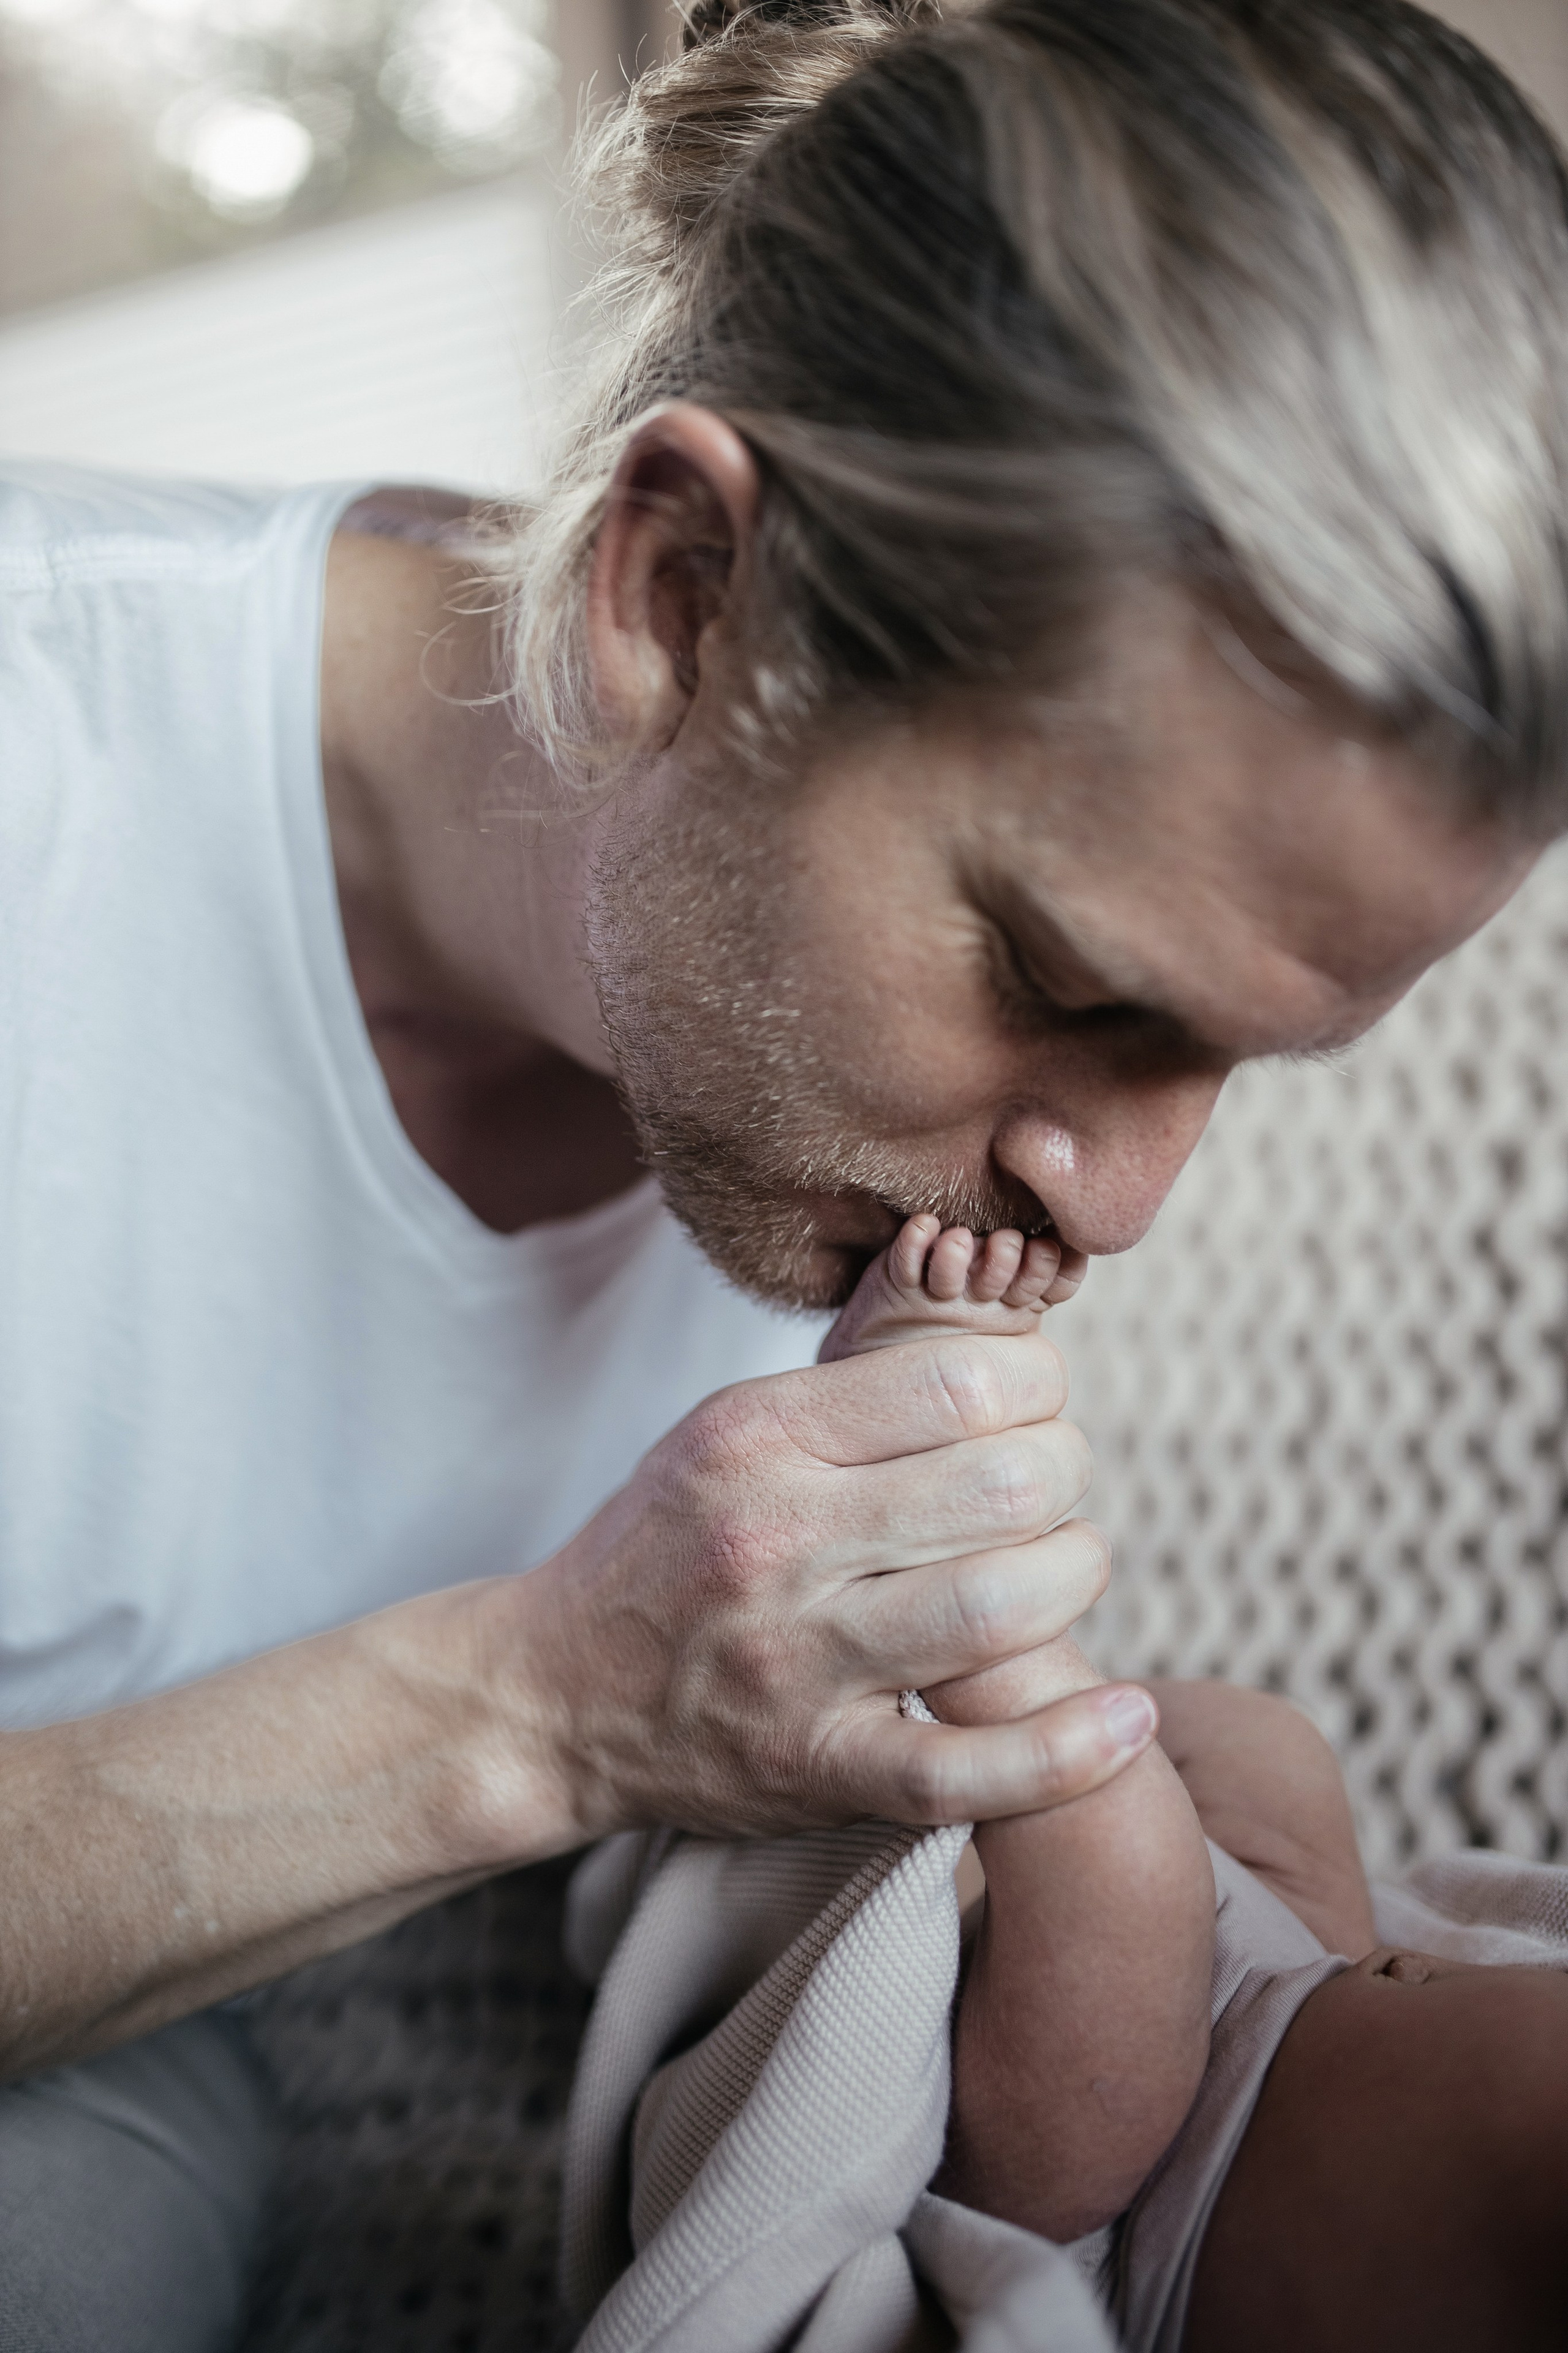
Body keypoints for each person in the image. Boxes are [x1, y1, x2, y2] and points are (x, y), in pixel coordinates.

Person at [1, 0, 1565, 2341]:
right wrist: (545, 1701)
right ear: (678, 598)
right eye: (1061, 972)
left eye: (1245, 1061)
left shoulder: (850, 1162)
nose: (1114, 1204)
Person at [816, 1215, 1568, 2353]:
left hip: (1134, 2180)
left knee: (1126, 1857)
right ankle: (977, 1775)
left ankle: (921, 1505)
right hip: (1310, 1967)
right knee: (1273, 1755)